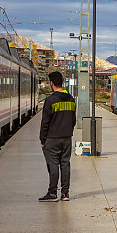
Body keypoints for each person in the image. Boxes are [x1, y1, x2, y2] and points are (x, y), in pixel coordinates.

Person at [39, 71, 76, 202]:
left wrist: (43, 140)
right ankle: (65, 193)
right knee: (65, 164)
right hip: (67, 138)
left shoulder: (50, 100)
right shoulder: (71, 99)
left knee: (53, 164)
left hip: (52, 138)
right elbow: (73, 120)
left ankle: (53, 193)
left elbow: (45, 122)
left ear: (52, 83)